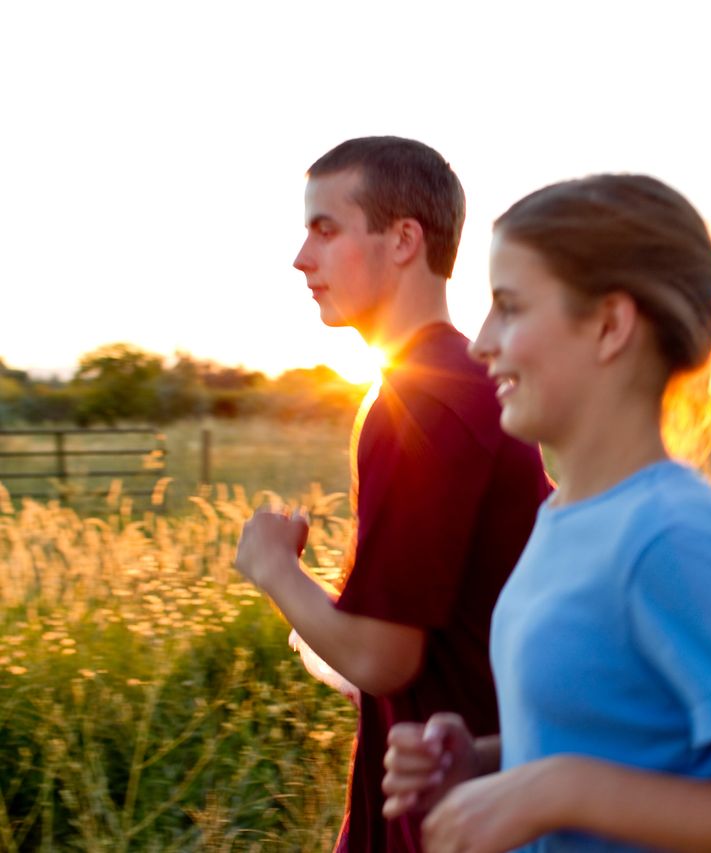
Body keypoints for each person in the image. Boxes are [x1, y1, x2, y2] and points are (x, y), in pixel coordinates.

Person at [381, 174, 711, 853]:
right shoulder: (566, 512)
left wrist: (559, 789)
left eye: (509, 306)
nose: (480, 342)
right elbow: (623, 732)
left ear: (609, 325)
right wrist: (479, 764)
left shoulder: (671, 534)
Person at [232, 136, 550, 852]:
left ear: (404, 238)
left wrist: (275, 567)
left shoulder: (427, 404)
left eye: (325, 228)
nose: (301, 258)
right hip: (447, 798)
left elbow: (384, 657)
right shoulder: (451, 387)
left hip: (459, 814)